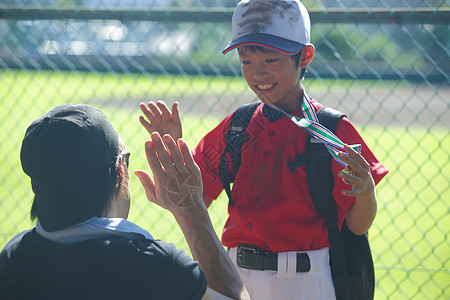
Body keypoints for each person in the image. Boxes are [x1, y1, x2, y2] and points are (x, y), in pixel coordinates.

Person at [139, 0, 388, 299]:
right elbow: (195, 198)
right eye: (246, 62)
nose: (257, 74)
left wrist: (365, 192)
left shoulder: (331, 130)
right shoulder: (238, 125)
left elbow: (358, 227)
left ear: (305, 56)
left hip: (306, 280)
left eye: (271, 60)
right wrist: (173, 151)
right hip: (234, 273)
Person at [0, 103, 249, 300]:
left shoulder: (11, 259)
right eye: (125, 158)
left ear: (36, 186)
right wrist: (191, 211)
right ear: (120, 169)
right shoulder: (155, 266)